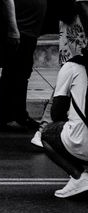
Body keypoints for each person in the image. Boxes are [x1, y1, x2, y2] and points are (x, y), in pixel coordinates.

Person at [32, 0, 88, 147]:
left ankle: (45, 128)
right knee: (73, 73)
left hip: (76, 17)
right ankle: (44, 129)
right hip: (78, 19)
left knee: (72, 75)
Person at [0, 0, 47, 131]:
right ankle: (7, 119)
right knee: (12, 72)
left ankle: (20, 116)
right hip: (19, 28)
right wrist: (13, 29)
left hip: (28, 29)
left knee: (22, 73)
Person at [41, 50, 88, 198]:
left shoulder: (72, 67)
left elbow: (56, 113)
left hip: (80, 143)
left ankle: (79, 177)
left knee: (47, 133)